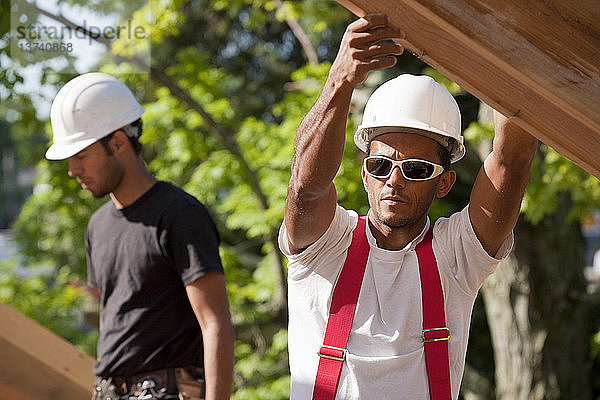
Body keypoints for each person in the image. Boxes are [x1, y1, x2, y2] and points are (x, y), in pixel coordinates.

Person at [279, 13, 538, 400]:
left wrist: (511, 47)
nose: (394, 180)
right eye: (380, 165)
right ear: (364, 173)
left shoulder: (456, 258)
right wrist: (339, 81)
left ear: (444, 183)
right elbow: (306, 188)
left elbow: (510, 161)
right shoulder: (325, 248)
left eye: (417, 169)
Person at [45, 72, 234, 400]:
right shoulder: (97, 226)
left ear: (117, 142)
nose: (72, 170)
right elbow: (112, 319)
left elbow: (215, 323)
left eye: (80, 155)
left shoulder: (178, 215)